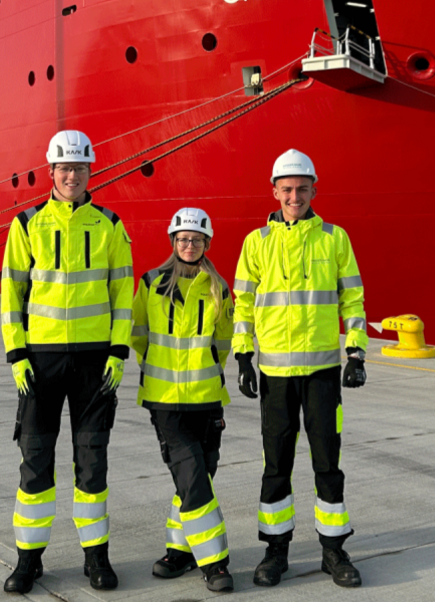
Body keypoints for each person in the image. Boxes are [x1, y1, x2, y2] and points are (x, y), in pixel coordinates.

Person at [0, 130, 135, 593]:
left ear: (89, 171)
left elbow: (123, 293)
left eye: (80, 168)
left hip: (96, 363)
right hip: (40, 362)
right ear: (51, 172)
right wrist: (17, 355)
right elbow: (11, 295)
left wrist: (119, 351)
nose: (72, 175)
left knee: (91, 461)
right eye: (65, 168)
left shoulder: (109, 226)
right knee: (35, 461)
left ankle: (96, 558)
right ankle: (28, 560)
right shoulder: (26, 225)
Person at [231, 149, 369, 589]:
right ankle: (276, 551)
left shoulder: (334, 238)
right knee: (277, 464)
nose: (294, 196)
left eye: (302, 189)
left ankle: (334, 549)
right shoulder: (256, 242)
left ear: (313, 190)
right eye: (287, 189)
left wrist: (357, 353)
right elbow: (243, 304)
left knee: (328, 462)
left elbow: (353, 299)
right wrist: (241, 356)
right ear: (274, 191)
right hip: (273, 373)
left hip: (324, 373)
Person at [131, 208, 235, 593]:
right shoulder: (151, 283)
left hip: (207, 398)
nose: (189, 245)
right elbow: (138, 334)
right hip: (166, 399)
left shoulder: (218, 288)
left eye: (196, 239)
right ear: (173, 242)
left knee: (197, 477)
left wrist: (207, 368)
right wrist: (162, 369)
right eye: (182, 239)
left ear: (207, 243)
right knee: (193, 478)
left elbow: (223, 341)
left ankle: (180, 551)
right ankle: (215, 562)